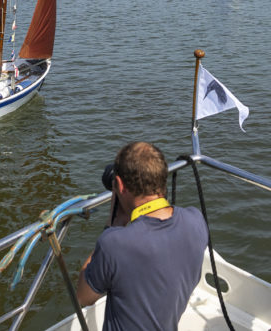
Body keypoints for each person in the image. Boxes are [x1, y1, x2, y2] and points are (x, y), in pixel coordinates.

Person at [76, 141, 208, 330]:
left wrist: (114, 225)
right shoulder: (196, 221)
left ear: (120, 185)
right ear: (162, 177)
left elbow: (83, 296)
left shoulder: (114, 243)